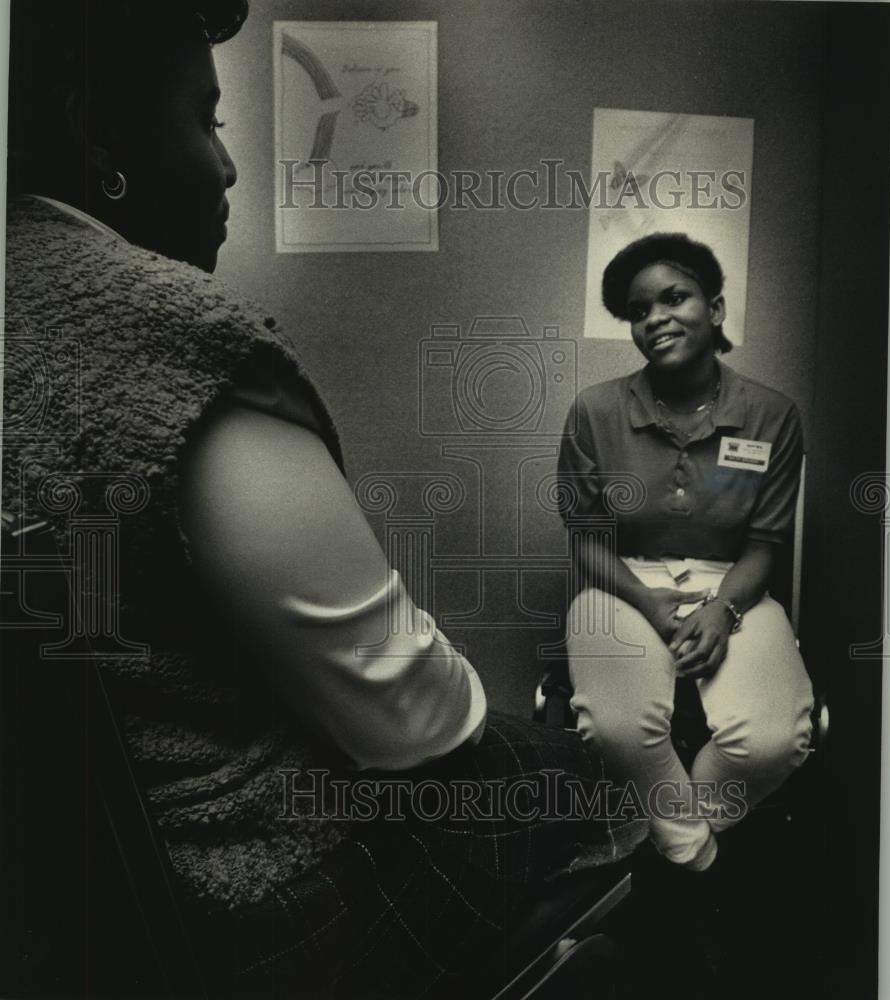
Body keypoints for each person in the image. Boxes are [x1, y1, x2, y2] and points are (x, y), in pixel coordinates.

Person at [1, 3, 643, 997]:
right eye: (205, 118)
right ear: (98, 132)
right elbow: (409, 716)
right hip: (260, 917)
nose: (227, 165)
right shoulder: (171, 338)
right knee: (604, 777)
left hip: (71, 913)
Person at [558, 233, 814, 873]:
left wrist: (722, 611)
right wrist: (651, 604)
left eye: (675, 298)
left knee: (775, 742)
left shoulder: (772, 415)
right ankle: (694, 857)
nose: (656, 319)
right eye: (639, 312)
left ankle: (663, 838)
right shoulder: (594, 410)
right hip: (622, 583)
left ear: (716, 309)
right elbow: (588, 539)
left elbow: (765, 545)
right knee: (616, 728)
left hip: (734, 586)